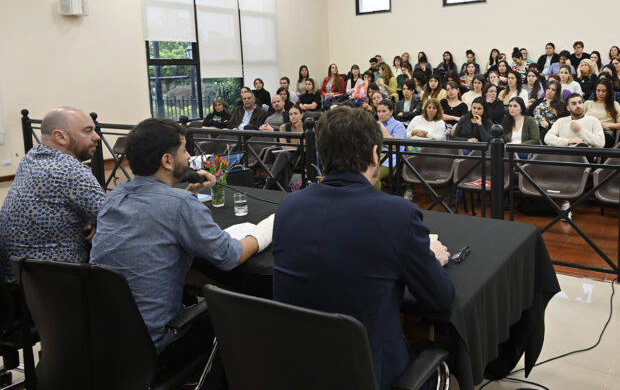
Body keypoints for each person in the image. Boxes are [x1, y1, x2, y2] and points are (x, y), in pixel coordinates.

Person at [272, 107, 454, 390]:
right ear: (374, 155)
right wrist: (431, 259)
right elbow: (440, 298)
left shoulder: (288, 208)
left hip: (298, 369)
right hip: (371, 373)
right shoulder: (398, 215)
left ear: (323, 155)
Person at [91, 119, 272, 356]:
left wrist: (186, 196)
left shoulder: (115, 196)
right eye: (185, 150)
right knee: (242, 319)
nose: (188, 157)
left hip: (104, 335)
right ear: (167, 160)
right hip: (154, 340)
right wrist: (267, 228)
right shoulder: (179, 205)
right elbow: (231, 256)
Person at [0, 107, 105, 284]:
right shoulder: (69, 169)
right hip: (56, 285)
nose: (97, 137)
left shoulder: (31, 158)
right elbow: (114, 220)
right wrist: (99, 221)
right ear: (60, 137)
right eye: (88, 131)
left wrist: (95, 221)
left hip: (17, 276)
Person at [584, 79, 620, 147]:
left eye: (604, 91)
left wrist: (608, 125)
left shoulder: (614, 104)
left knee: (589, 144)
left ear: (608, 92)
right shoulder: (587, 103)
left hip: (604, 134)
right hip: (587, 131)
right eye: (598, 90)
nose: (600, 93)